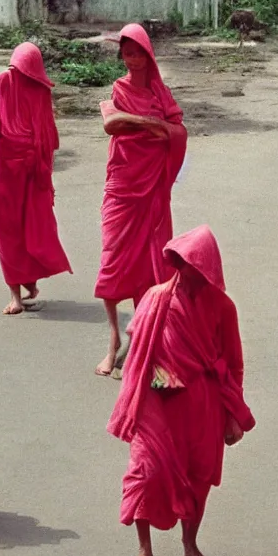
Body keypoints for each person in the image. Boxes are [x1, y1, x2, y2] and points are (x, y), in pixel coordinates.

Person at [108, 225, 255, 556]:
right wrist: (157, 376)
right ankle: (145, 551)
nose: (190, 273)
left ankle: (190, 544)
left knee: (198, 476)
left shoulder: (223, 307)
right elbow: (139, 351)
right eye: (185, 264)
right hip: (158, 401)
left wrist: (233, 414)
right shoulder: (156, 298)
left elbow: (234, 363)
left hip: (205, 405)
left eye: (197, 266)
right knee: (146, 470)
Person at [95, 23, 187, 376]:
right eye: (126, 54)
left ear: (148, 56)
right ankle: (114, 339)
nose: (131, 61)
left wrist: (155, 127)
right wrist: (149, 125)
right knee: (112, 262)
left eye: (137, 54)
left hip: (152, 192)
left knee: (152, 268)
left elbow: (177, 131)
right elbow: (111, 124)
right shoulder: (118, 88)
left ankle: (142, 336)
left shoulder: (162, 94)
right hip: (121, 187)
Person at [0, 42, 72, 315]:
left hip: (34, 173)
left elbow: (48, 135)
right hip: (6, 175)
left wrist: (47, 176)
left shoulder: (41, 91)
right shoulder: (3, 83)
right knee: (8, 234)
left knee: (36, 230)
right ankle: (16, 295)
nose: (20, 75)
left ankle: (30, 282)